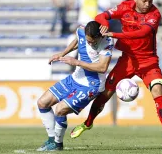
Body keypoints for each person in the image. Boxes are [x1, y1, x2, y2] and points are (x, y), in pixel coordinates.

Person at [70, 0, 162, 150]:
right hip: (127, 60)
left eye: (149, 1)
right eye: (144, 1)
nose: (147, 4)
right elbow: (100, 16)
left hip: (148, 61)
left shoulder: (154, 14)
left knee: (158, 91)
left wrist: (114, 34)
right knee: (106, 92)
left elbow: (141, 33)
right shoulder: (125, 7)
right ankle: (87, 123)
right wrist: (104, 22)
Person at [36, 21, 114, 151]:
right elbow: (78, 41)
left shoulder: (107, 42)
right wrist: (63, 53)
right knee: (42, 102)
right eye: (88, 41)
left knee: (60, 109)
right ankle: (51, 140)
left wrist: (77, 62)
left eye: (92, 41)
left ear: (99, 36)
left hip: (92, 84)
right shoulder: (81, 31)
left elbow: (102, 67)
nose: (90, 44)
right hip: (76, 78)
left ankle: (57, 144)